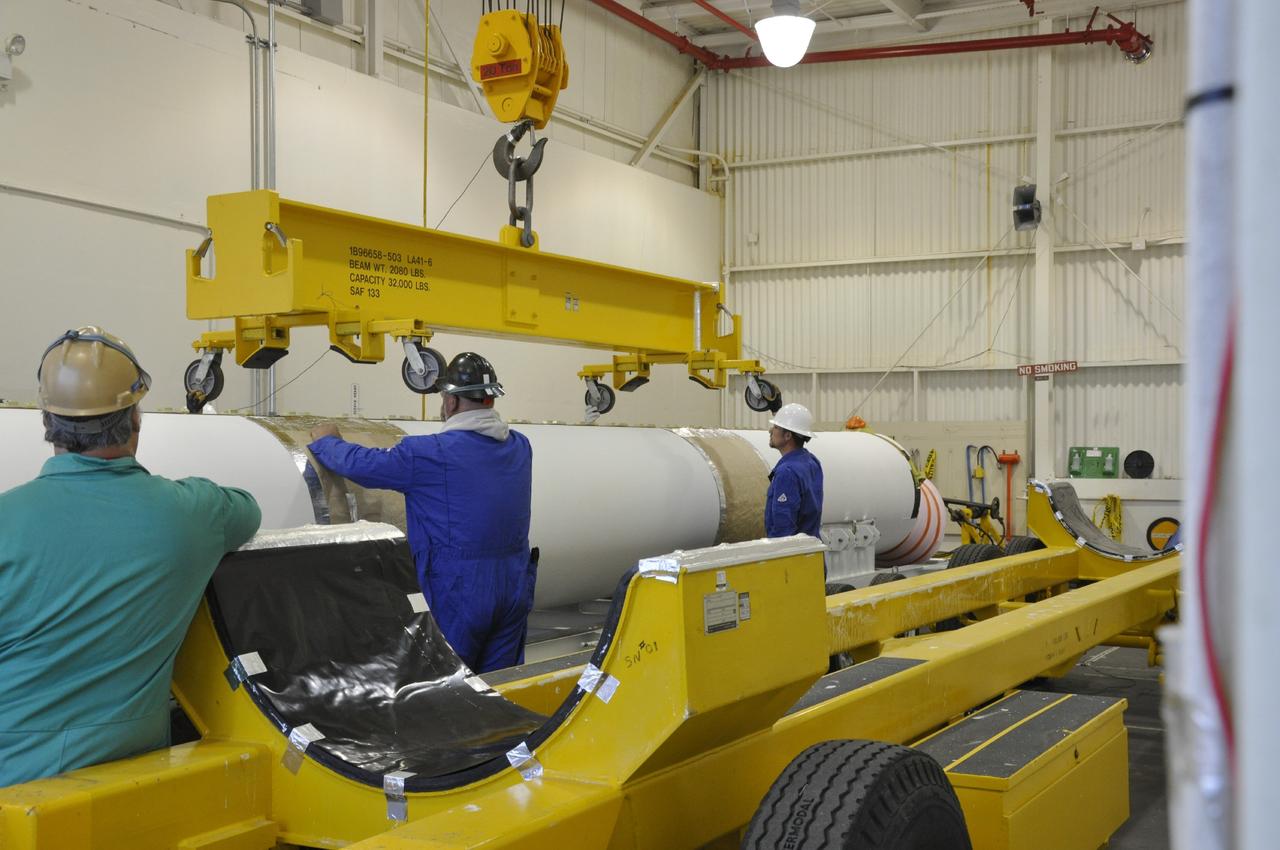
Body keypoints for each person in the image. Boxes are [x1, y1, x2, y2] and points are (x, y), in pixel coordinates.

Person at [0, 327, 261, 787]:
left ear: (47, 423)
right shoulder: (191, 514)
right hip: (131, 788)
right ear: (134, 419)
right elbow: (247, 509)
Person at [308, 352, 536, 674]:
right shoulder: (521, 447)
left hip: (461, 591)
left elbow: (364, 465)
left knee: (453, 685)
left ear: (451, 403)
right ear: (489, 399)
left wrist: (327, 442)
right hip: (514, 585)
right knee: (503, 683)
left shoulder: (428, 454)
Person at [764, 403, 824, 538]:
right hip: (811, 549)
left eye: (776, 427)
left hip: (792, 554)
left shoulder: (787, 472)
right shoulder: (812, 461)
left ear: (787, 436)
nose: (770, 430)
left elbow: (783, 527)